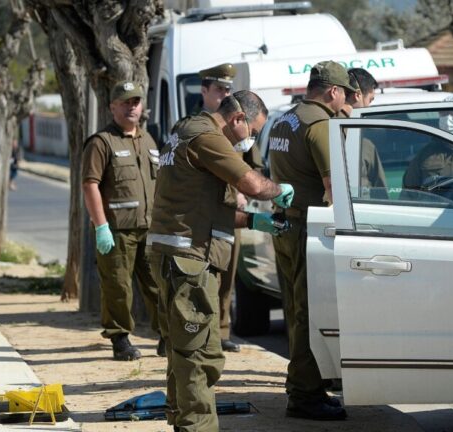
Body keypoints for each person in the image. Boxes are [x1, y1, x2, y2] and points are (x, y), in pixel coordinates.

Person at [147, 90, 293, 432]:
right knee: (198, 354)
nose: (252, 140)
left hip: (183, 255)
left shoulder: (188, 130)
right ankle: (196, 426)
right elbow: (251, 184)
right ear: (237, 119)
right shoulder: (208, 137)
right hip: (187, 259)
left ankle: (183, 418)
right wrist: (278, 190)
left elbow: (205, 206)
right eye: (253, 132)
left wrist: (254, 222)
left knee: (191, 350)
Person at [268, 60, 356, 421]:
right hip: (308, 228)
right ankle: (305, 395)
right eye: (344, 94)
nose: (346, 100)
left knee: (295, 311)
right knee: (308, 315)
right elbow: (333, 187)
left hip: (286, 225)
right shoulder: (319, 125)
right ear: (333, 91)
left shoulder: (285, 119)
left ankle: (304, 385)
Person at [81, 80, 162, 361]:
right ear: (112, 106)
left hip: (149, 228)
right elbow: (90, 184)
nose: (132, 107)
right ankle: (120, 339)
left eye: (136, 102)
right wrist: (100, 225)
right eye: (126, 102)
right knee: (118, 286)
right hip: (117, 230)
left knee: (158, 284)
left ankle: (166, 336)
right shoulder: (102, 142)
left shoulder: (149, 140)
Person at [195, 63, 263, 353]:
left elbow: (253, 165)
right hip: (205, 212)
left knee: (228, 271)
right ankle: (201, 332)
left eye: (228, 89)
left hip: (233, 209)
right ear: (205, 91)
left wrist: (243, 191)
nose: (224, 93)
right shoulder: (198, 127)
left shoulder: (241, 127)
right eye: (219, 89)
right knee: (204, 276)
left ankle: (222, 330)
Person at [339, 68, 388, 199]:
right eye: (370, 100)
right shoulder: (363, 145)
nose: (369, 107)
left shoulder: (323, 127)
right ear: (357, 95)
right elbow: (381, 193)